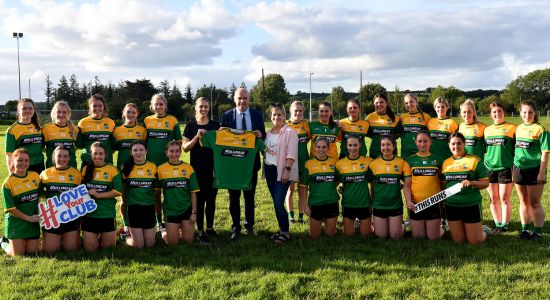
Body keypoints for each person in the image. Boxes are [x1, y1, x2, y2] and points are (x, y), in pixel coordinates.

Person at [220, 87, 266, 239]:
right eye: (239, 98)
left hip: (251, 164)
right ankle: (235, 227)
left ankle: (249, 225)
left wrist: (260, 135)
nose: (242, 101)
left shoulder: (257, 115)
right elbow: (222, 140)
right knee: (233, 197)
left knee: (249, 196)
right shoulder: (226, 116)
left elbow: (263, 137)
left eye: (245, 98)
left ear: (249, 99)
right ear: (234, 99)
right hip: (233, 165)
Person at [182, 97, 220, 244]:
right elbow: (185, 148)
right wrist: (197, 136)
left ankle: (210, 228)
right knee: (199, 201)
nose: (203, 109)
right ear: (195, 108)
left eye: (206, 106)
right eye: (201, 107)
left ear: (208, 108)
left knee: (211, 200)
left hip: (214, 169)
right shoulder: (190, 126)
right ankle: (200, 230)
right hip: (196, 170)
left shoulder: (216, 125)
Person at [441, 132, 489, 244]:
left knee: (474, 241)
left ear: (464, 144)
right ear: (448, 145)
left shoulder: (475, 161)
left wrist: (472, 182)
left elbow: (486, 183)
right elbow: (443, 185)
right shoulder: (445, 163)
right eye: (453, 144)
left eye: (459, 143)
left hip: (470, 204)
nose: (456, 147)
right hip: (452, 205)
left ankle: (484, 231)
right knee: (459, 241)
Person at [144, 94, 183, 228]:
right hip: (152, 165)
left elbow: (178, 141)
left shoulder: (172, 120)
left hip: (168, 165)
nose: (159, 106)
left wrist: (175, 159)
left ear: (165, 105)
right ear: (152, 106)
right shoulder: (147, 120)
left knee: (170, 193)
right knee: (155, 194)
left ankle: (171, 221)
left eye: (161, 104)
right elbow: (143, 142)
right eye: (156, 104)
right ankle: (158, 222)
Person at [513, 100, 549, 240]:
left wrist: (541, 172)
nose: (527, 115)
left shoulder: (541, 129)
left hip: (534, 169)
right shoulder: (519, 128)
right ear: (520, 113)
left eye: (530, 112)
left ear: (535, 113)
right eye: (524, 112)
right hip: (518, 168)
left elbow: (545, 152)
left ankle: (538, 232)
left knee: (534, 202)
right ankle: (525, 230)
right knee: (523, 201)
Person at [263, 104, 298, 244]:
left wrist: (287, 171)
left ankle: (285, 232)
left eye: (279, 114)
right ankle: (282, 229)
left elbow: (291, 153)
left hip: (282, 171)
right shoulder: (269, 132)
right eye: (274, 115)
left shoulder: (290, 132)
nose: (276, 117)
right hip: (270, 170)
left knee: (278, 202)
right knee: (276, 202)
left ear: (284, 116)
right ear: (270, 117)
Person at [40, 146, 83, 253]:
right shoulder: (45, 174)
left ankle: (75, 238)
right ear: (53, 157)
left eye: (65, 156)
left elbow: (82, 196)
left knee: (71, 250)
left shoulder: (77, 174)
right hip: (52, 215)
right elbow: (40, 193)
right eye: (59, 156)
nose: (62, 159)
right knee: (50, 251)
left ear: (69, 158)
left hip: (71, 215)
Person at [367, 135, 411, 239]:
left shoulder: (401, 162)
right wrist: (371, 205)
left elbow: (407, 184)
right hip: (379, 205)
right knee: (381, 236)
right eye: (383, 145)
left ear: (394, 146)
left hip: (395, 205)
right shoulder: (374, 163)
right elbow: (371, 186)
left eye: (388, 145)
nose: (385, 147)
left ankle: (402, 225)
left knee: (395, 236)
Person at [81, 142, 122, 252]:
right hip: (89, 214)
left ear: (106, 155)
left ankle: (108, 235)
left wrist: (99, 195)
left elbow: (118, 191)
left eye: (101, 154)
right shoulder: (85, 169)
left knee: (109, 249)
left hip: (106, 213)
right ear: (91, 154)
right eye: (95, 153)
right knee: (90, 249)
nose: (97, 156)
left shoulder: (112, 170)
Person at [404, 131, 444, 240]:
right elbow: (407, 185)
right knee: (419, 237)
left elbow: (443, 182)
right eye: (420, 141)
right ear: (416, 143)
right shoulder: (409, 160)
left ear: (430, 142)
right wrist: (408, 201)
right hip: (417, 204)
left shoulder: (438, 160)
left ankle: (442, 228)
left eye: (425, 141)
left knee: (433, 238)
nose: (422, 144)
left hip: (433, 202)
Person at [157, 141, 199, 245]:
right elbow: (156, 192)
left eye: (177, 151)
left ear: (180, 152)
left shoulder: (188, 168)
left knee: (188, 241)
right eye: (171, 151)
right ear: (167, 152)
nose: (174, 154)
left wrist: (194, 213)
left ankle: (179, 229)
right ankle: (164, 230)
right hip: (170, 210)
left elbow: (193, 192)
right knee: (172, 243)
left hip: (186, 209)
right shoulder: (160, 169)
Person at [483, 102, 516, 234]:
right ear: (490, 115)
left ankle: (505, 225)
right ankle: (497, 223)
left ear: (504, 112)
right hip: (490, 167)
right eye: (494, 112)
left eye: (499, 111)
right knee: (494, 198)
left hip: (506, 167)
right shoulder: (486, 130)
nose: (497, 114)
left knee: (504, 197)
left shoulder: (512, 128)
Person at [1, 149, 40, 256]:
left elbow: (40, 196)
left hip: (32, 224)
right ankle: (3, 242)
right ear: (13, 161)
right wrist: (29, 218)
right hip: (16, 224)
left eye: (26, 160)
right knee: (18, 255)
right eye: (20, 160)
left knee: (32, 253)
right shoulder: (8, 183)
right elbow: (11, 209)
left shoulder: (35, 176)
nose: (23, 163)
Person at [300, 138, 339, 239]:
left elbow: (339, 179)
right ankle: (320, 221)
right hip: (316, 203)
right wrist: (305, 205)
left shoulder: (334, 162)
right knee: (314, 236)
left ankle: (329, 223)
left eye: (324, 147)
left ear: (328, 148)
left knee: (330, 234)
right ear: (314, 147)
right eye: (318, 147)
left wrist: (330, 187)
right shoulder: (308, 164)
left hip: (332, 202)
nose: (321, 149)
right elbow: (303, 186)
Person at [121, 141, 157, 249]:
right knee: (139, 245)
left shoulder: (153, 166)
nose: (138, 153)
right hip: (133, 208)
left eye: (141, 150)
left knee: (150, 244)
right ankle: (125, 236)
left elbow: (156, 189)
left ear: (146, 151)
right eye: (135, 150)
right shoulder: (125, 168)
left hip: (149, 207)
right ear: (131, 152)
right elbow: (122, 191)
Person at [336, 135, 373, 237]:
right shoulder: (340, 164)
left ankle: (372, 224)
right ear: (346, 146)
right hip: (348, 203)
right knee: (348, 235)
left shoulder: (368, 161)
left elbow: (372, 181)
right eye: (350, 145)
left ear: (360, 145)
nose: (353, 148)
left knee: (366, 234)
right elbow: (336, 181)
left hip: (364, 203)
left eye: (355, 145)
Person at [284, 101, 309, 223]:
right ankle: (291, 216)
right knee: (290, 189)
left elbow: (309, 138)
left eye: (300, 111)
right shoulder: (285, 125)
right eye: (296, 111)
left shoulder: (306, 125)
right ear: (291, 111)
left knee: (302, 190)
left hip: (304, 162)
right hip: (290, 163)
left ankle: (300, 216)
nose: (298, 113)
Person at [5, 98, 44, 174]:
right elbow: (9, 154)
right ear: (19, 110)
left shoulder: (38, 127)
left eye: (30, 108)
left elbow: (41, 147)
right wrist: (11, 172)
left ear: (33, 110)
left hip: (39, 165)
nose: (27, 110)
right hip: (22, 166)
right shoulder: (12, 130)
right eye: (24, 108)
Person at [77, 94, 116, 169]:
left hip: (106, 162)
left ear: (104, 107)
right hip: (88, 162)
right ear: (90, 107)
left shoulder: (110, 123)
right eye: (94, 106)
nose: (97, 108)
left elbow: (113, 145)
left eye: (100, 106)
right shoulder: (83, 122)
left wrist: (105, 154)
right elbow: (79, 145)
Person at [41, 101, 78, 168]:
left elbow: (78, 146)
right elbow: (41, 148)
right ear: (54, 113)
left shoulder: (74, 128)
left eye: (64, 112)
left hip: (71, 167)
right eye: (59, 112)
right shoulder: (46, 129)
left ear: (68, 114)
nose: (61, 114)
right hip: (52, 168)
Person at [366, 94, 402, 159]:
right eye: (376, 103)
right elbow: (368, 134)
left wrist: (388, 140)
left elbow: (398, 134)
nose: (379, 104)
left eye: (381, 102)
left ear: (386, 103)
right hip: (375, 152)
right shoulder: (369, 117)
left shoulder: (395, 118)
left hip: (391, 153)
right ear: (374, 104)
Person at [113, 103, 147, 170]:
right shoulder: (116, 130)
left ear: (137, 114)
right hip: (121, 165)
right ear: (123, 112)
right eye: (128, 112)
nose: (131, 114)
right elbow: (113, 149)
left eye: (133, 112)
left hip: (138, 166)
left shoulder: (142, 130)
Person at [400, 94, 430, 159]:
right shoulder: (402, 117)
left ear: (416, 102)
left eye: (411, 102)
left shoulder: (426, 117)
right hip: (406, 154)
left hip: (422, 153)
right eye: (406, 103)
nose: (409, 104)